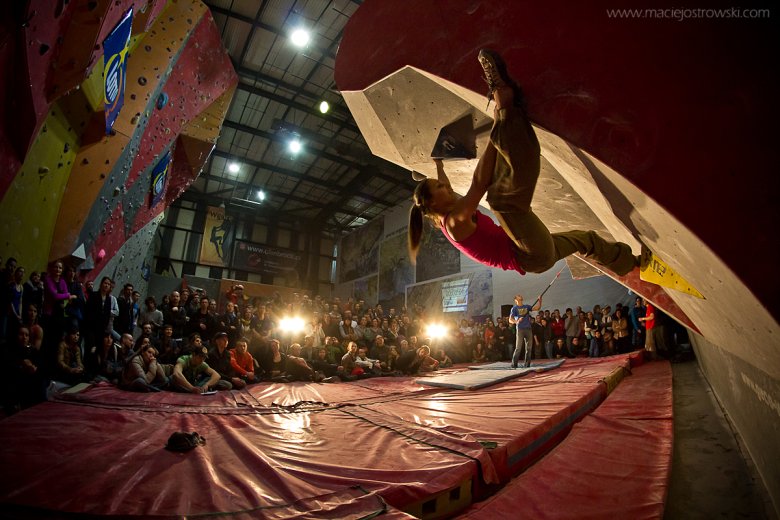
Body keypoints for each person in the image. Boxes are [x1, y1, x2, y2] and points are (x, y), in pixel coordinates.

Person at [408, 49, 641, 287]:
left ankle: (630, 264)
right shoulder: (455, 222)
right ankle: (505, 101)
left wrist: (438, 165)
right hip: (528, 255)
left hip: (534, 251)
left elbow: (444, 182)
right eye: (440, 187)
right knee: (501, 201)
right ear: (434, 203)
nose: (447, 186)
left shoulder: (444, 211)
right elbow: (479, 182)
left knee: (587, 240)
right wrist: (499, 121)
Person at [508, 294, 542, 368]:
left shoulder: (527, 306)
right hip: (520, 329)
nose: (520, 295)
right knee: (518, 348)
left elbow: (537, 308)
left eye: (520, 295)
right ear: (516, 299)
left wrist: (540, 300)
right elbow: (510, 319)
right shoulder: (514, 308)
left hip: (528, 329)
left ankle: (527, 365)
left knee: (529, 348)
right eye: (518, 295)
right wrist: (516, 321)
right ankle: (514, 364)